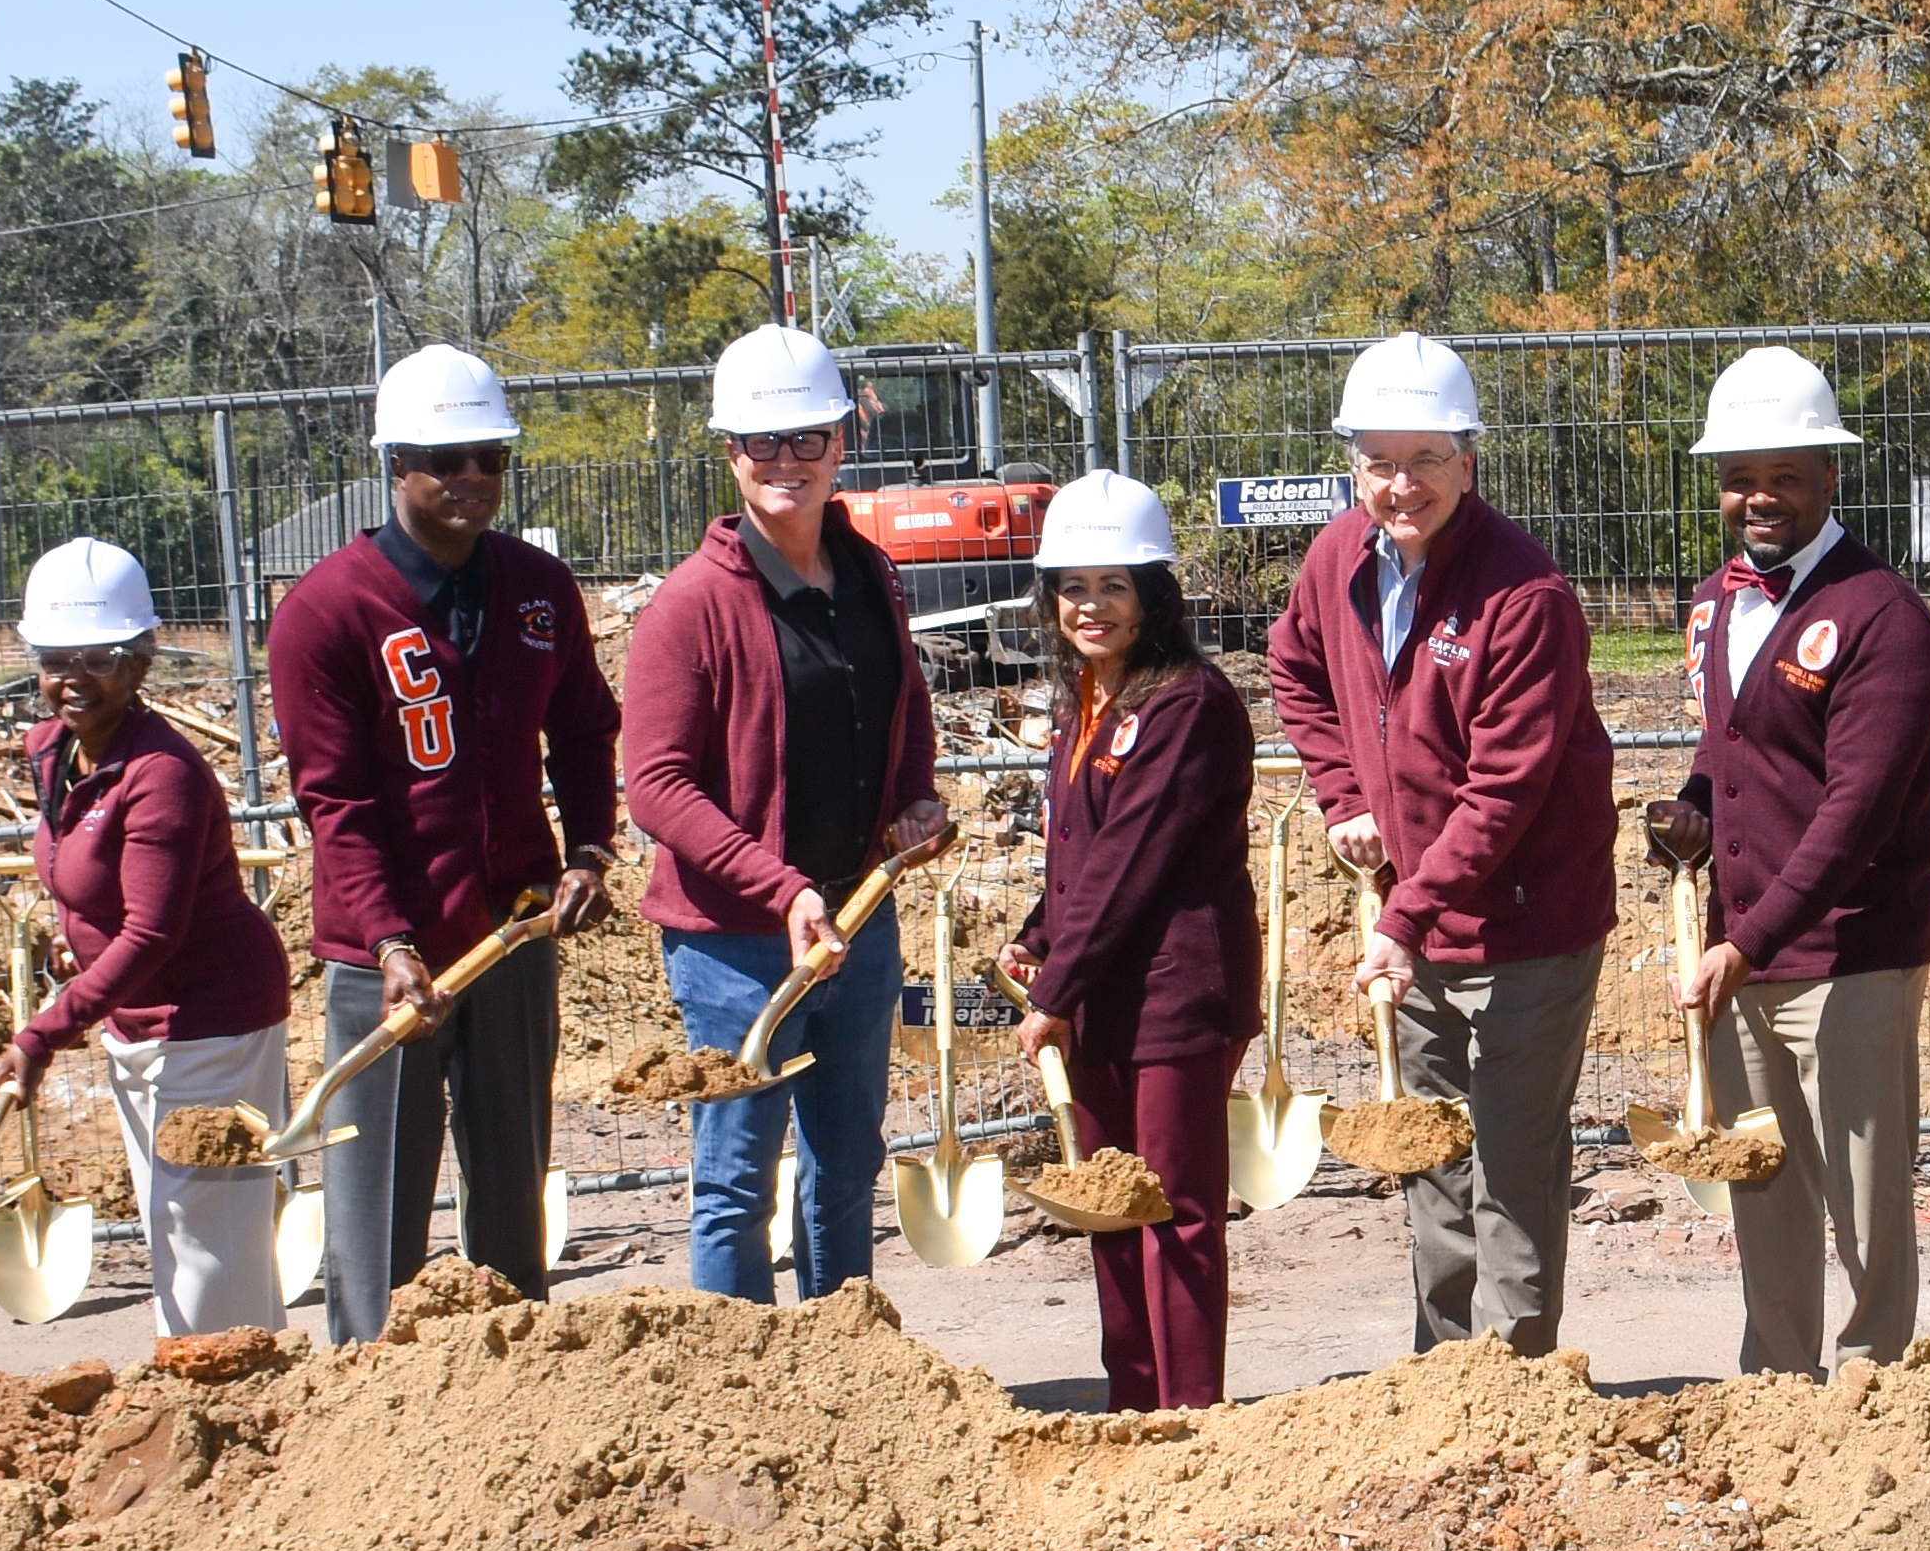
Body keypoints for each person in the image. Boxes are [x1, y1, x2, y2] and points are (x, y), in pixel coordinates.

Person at [1261, 331, 1622, 1357]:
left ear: (1468, 461)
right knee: (1431, 1154)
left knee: (1510, 1156)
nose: (1401, 484)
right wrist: (1340, 796)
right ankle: (1442, 1364)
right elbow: (1293, 669)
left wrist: (1405, 912)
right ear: (1353, 467)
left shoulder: (1522, 595)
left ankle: (1516, 1374)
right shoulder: (1337, 559)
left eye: (1426, 460)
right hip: (1414, 920)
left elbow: (1507, 789)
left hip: (1527, 926)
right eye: (1380, 461)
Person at [268, 342, 620, 1336]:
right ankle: (370, 1413)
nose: (472, 479)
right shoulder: (326, 612)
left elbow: (587, 728)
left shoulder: (540, 589)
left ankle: (514, 1400)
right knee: (379, 1213)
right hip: (389, 952)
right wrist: (385, 940)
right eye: (445, 458)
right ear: (395, 463)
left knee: (513, 1194)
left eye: (491, 458)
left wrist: (589, 848)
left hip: (509, 934)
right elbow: (330, 799)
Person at [621, 323, 950, 1303]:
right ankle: (745, 1397)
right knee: (735, 1181)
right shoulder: (690, 608)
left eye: (808, 438)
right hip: (737, 946)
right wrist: (782, 886)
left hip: (857, 919)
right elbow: (658, 786)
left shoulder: (868, 576)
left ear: (843, 440)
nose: (787, 461)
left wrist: (911, 801)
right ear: (730, 452)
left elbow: (904, 703)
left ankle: (838, 1370)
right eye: (764, 443)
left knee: (846, 1166)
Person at [1653, 344, 1930, 1375]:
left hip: (1847, 954)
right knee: (1761, 1180)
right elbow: (1728, 749)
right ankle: (1778, 1379)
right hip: (1745, 950)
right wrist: (1690, 810)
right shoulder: (1714, 602)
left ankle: (1875, 1386)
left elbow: (1855, 811)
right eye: (1741, 476)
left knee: (1865, 1197)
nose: (1760, 497)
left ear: (1830, 474)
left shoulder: (1881, 616)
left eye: (1785, 474)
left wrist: (1752, 939)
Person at [0, 539, 301, 1344]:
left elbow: (153, 930)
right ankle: (228, 1389)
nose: (73, 677)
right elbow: (96, 887)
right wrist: (78, 946)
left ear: (140, 663)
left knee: (205, 1238)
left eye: (99, 657)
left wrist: (45, 1030)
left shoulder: (160, 771)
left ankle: (226, 1403)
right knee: (180, 1226)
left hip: (211, 1021)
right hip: (139, 1020)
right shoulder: (54, 753)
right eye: (55, 657)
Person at [1010, 473, 1259, 1408]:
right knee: (1110, 1207)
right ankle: (1133, 1403)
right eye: (1072, 587)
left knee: (1174, 1213)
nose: (1091, 606)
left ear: (1156, 593)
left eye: (1114, 586)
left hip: (1175, 995)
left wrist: (1054, 992)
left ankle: (1191, 1420)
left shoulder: (1186, 707)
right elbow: (1082, 850)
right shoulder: (1090, 698)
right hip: (1103, 992)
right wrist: (1041, 937)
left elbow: (1133, 861)